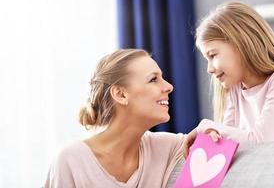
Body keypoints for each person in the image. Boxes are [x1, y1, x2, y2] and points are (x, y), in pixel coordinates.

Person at [45, 49, 186, 188]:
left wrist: (207, 128)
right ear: (121, 95)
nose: (169, 87)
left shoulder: (167, 147)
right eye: (153, 79)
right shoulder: (70, 161)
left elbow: (205, 132)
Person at [184, 1, 274, 157]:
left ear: (241, 44)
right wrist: (211, 136)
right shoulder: (235, 90)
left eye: (213, 55)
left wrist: (205, 127)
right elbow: (226, 143)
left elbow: (261, 141)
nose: (209, 69)